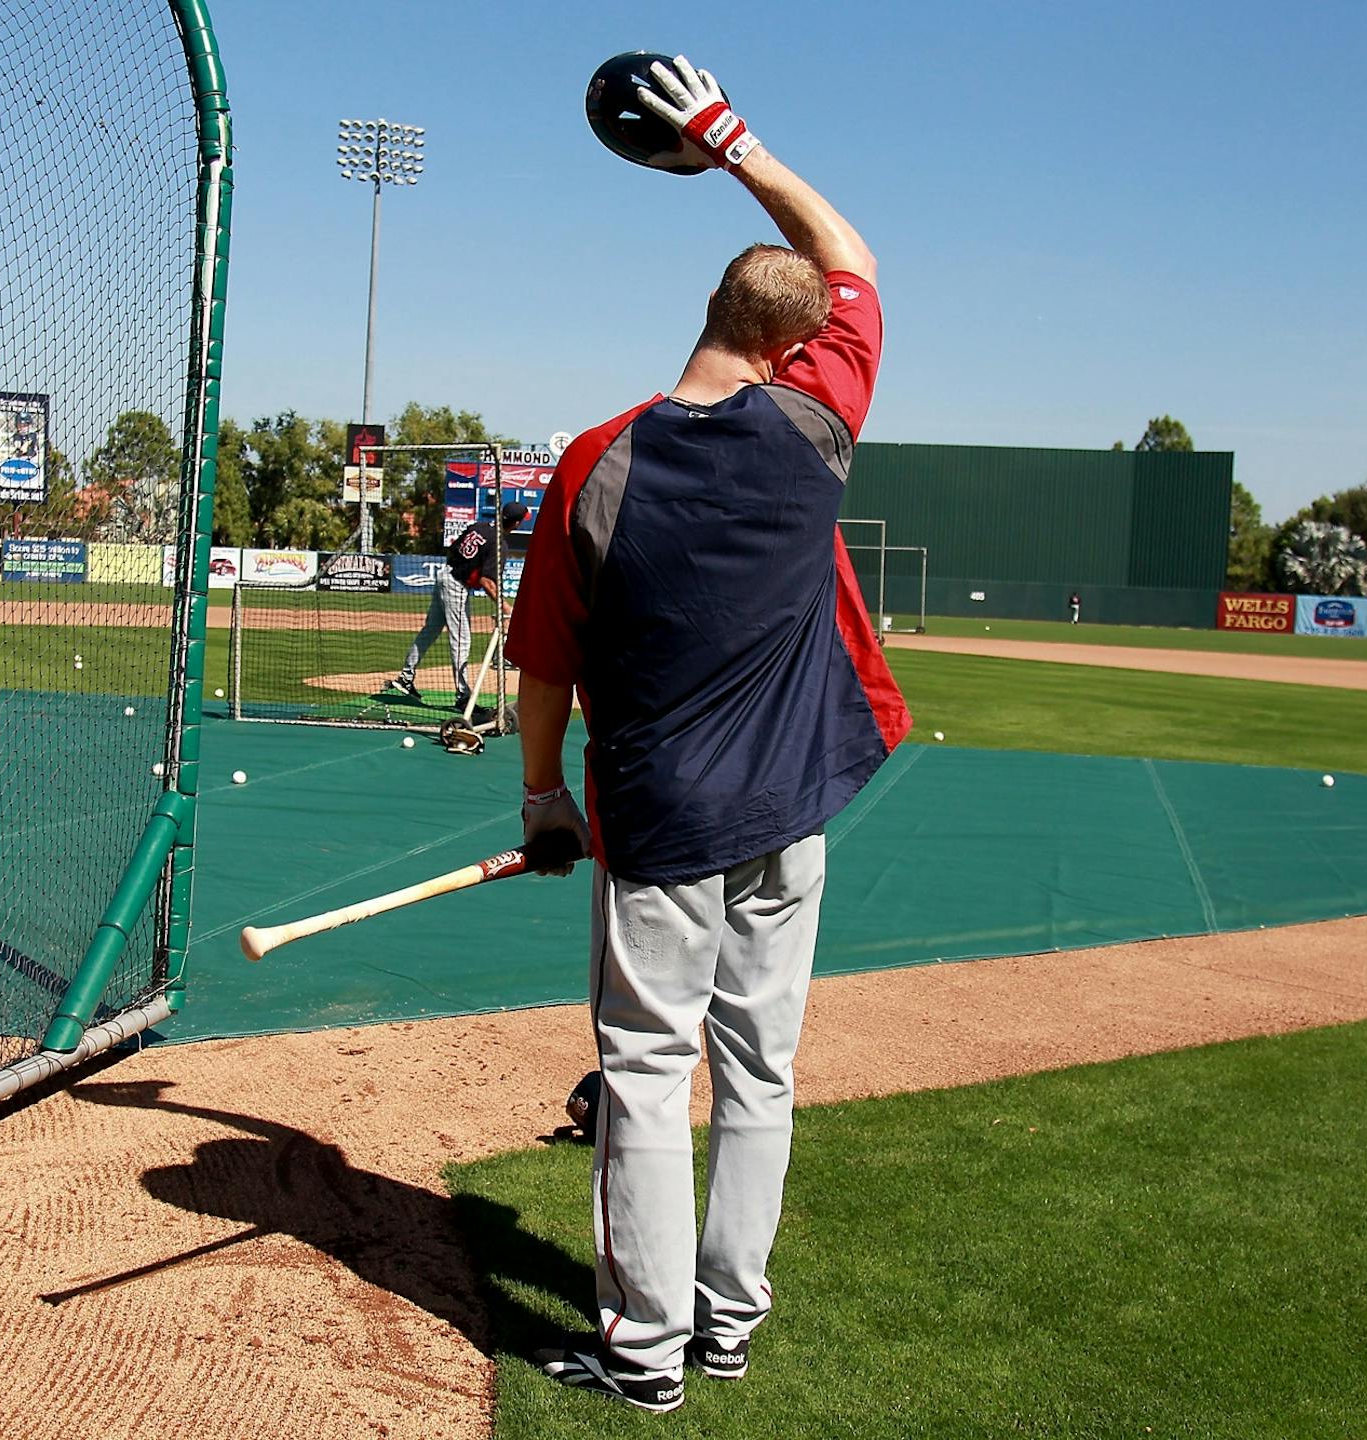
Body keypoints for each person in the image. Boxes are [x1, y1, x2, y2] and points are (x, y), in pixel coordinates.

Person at [508, 54, 909, 1414]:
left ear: (711, 313)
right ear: (801, 348)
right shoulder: (816, 426)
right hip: (786, 818)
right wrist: (732, 143)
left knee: (642, 1079)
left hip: (660, 823)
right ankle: (726, 1326)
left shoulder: (596, 463)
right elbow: (847, 257)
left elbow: (546, 672)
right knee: (762, 1077)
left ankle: (644, 1350)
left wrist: (540, 800)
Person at [387, 501, 527, 709]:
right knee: (461, 640)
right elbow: (486, 581)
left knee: (430, 631)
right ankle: (463, 696)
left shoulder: (478, 527)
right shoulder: (499, 544)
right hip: (456, 586)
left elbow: (453, 550)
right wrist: (506, 608)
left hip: (445, 575)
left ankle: (405, 677)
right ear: (515, 524)